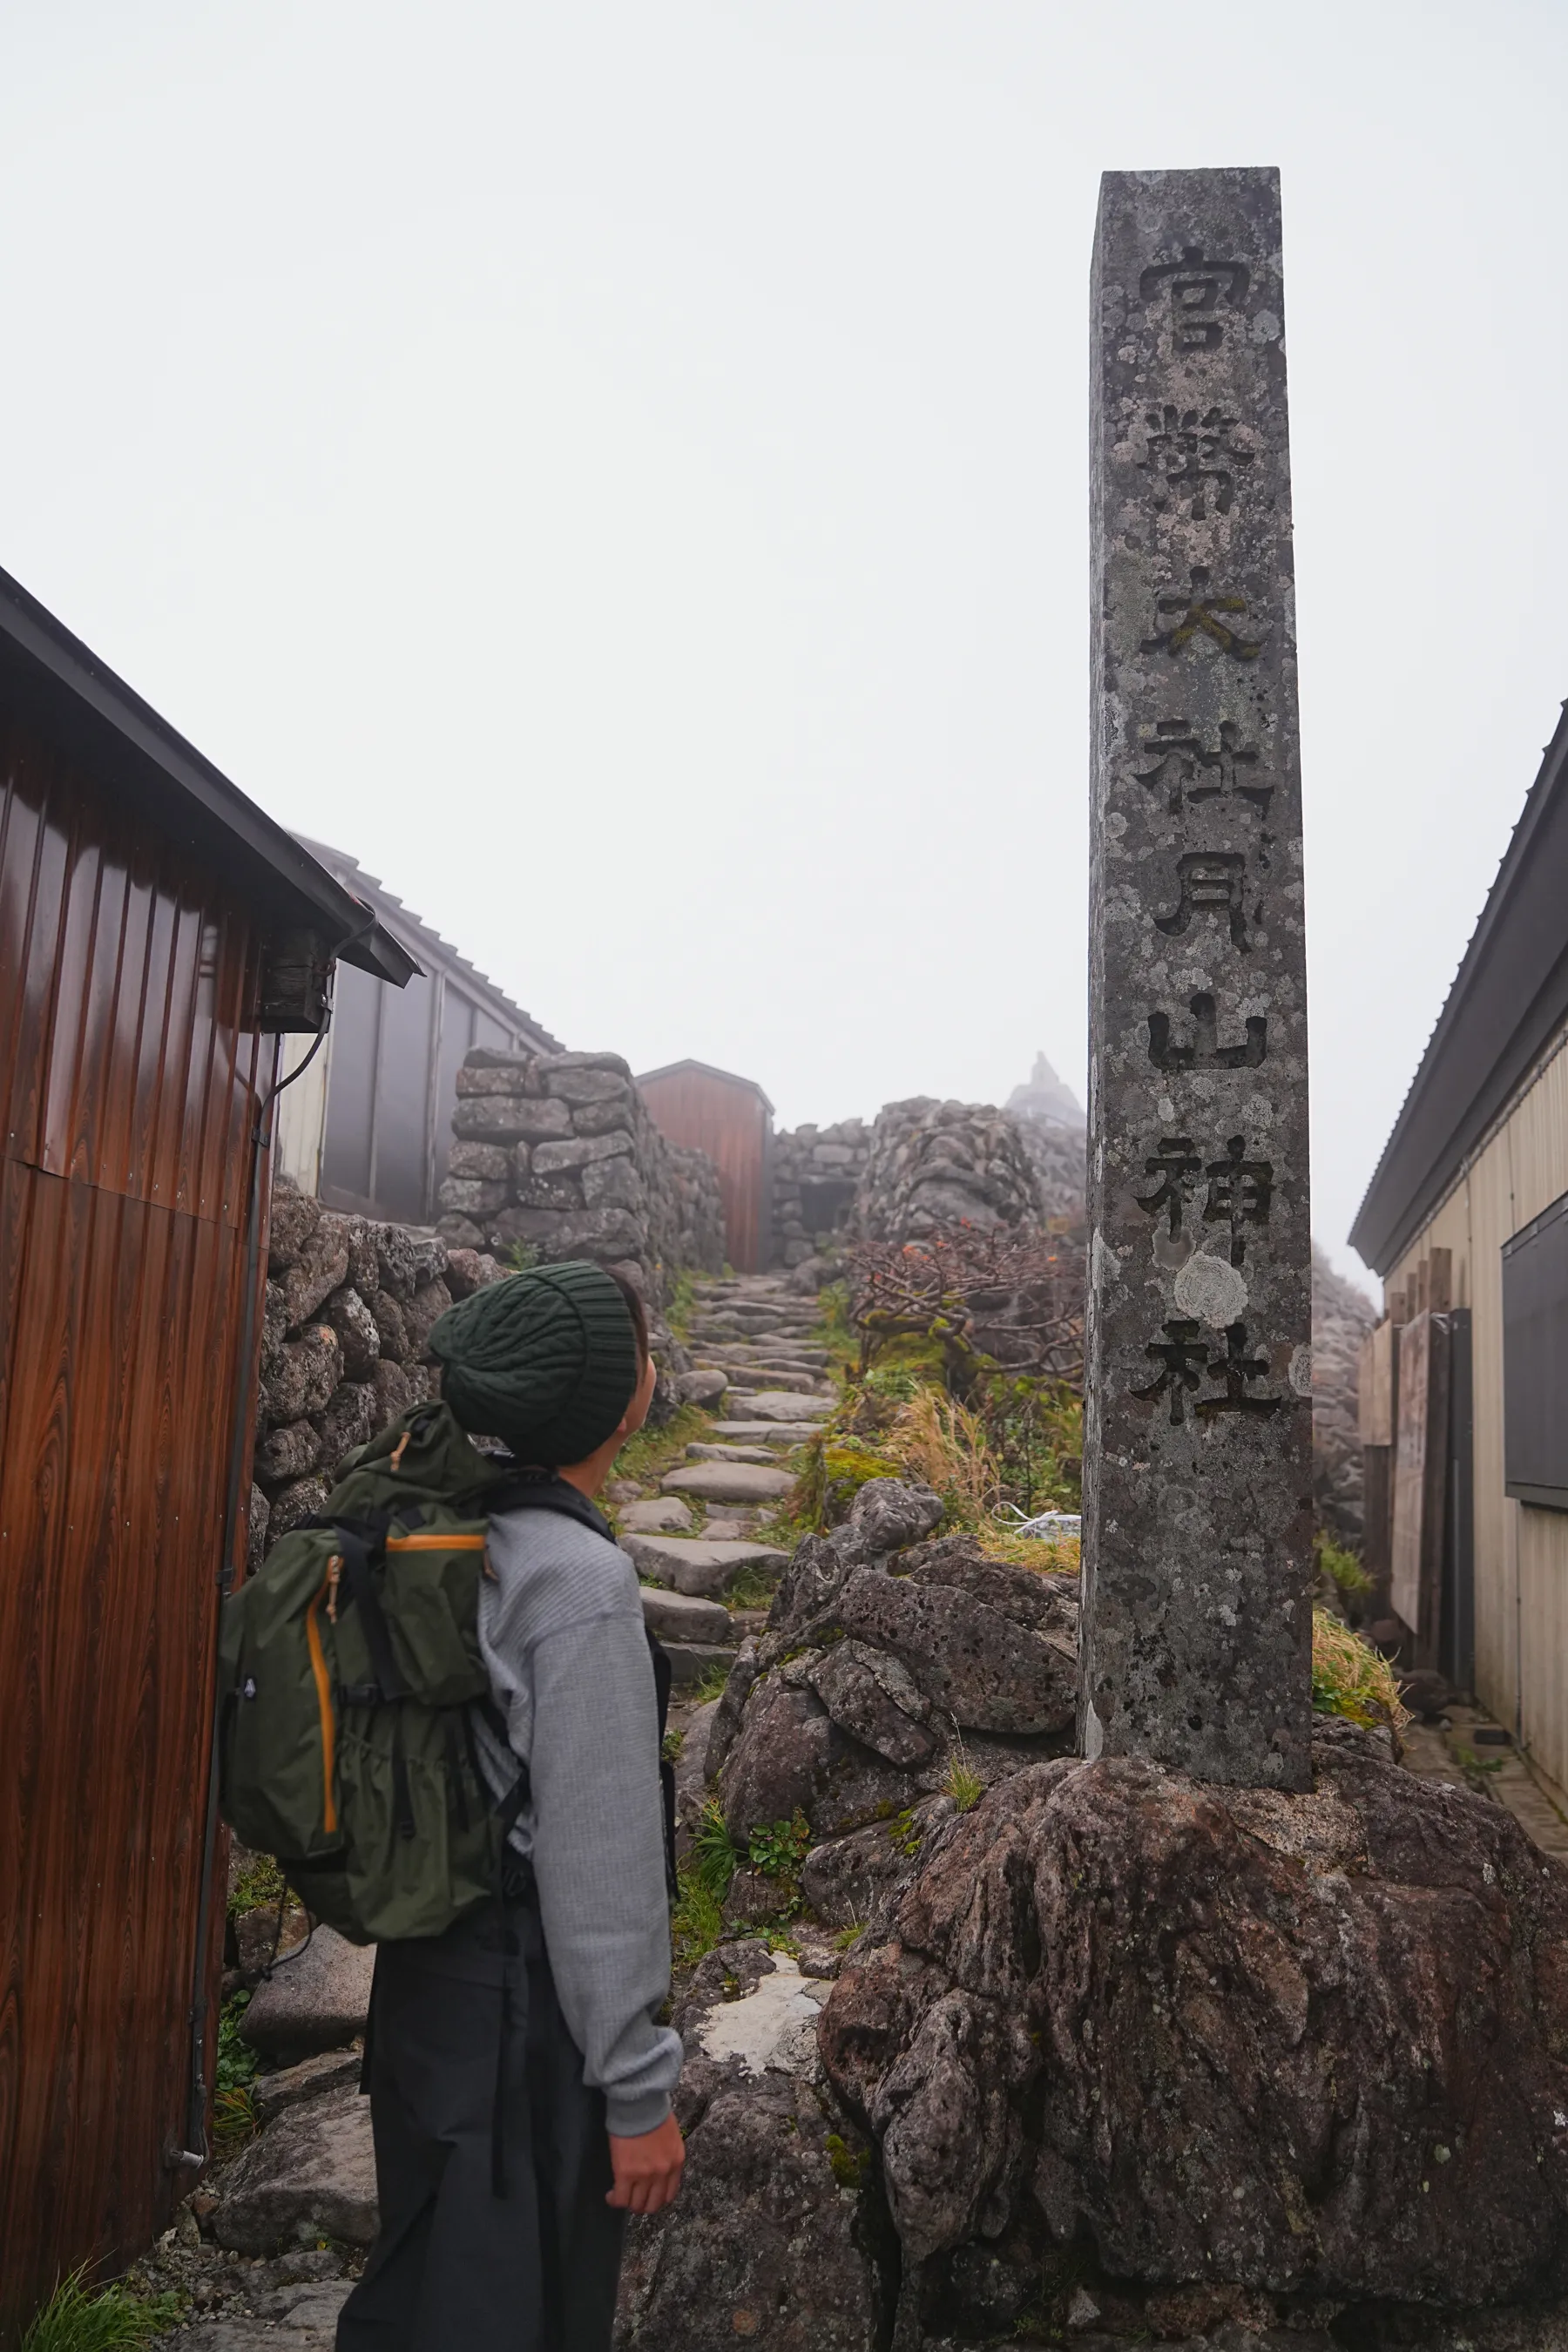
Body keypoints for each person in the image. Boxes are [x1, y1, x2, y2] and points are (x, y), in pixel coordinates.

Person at [335, 1260, 686, 2352]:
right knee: (517, 2309)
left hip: (422, 1996)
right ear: (611, 1402)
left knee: (425, 2283)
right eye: (637, 1351)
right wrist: (637, 2091)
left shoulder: (443, 1532)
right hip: (523, 2024)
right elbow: (598, 1862)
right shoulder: (578, 1582)